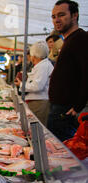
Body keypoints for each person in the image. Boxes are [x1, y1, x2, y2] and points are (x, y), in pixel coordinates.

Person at [48, 0, 88, 141]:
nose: (56, 20)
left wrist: (78, 106)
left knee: (63, 155)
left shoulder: (81, 39)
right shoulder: (69, 40)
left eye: (61, 15)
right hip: (60, 108)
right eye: (53, 16)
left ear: (74, 15)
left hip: (66, 111)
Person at [14, 41, 54, 126]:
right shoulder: (41, 65)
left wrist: (21, 84)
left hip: (39, 103)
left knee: (37, 127)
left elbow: (38, 86)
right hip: (36, 102)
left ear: (34, 55)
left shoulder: (43, 66)